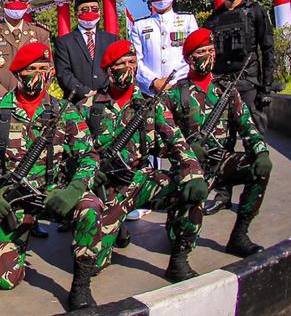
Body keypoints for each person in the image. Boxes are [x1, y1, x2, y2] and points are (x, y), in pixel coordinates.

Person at [0, 41, 103, 306]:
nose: (39, 74)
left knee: (90, 207)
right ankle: (8, 244)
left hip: (53, 194)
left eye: (44, 68)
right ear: (19, 73)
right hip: (13, 200)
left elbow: (89, 155)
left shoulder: (64, 111)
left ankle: (81, 285)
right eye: (33, 69)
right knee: (4, 280)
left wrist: (74, 189)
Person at [86, 40, 208, 291]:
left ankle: (179, 260)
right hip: (109, 188)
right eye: (121, 64)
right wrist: (90, 172)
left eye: (132, 63)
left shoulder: (150, 104)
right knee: (93, 264)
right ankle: (114, 229)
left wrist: (193, 172)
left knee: (189, 187)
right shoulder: (89, 107)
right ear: (108, 69)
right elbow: (76, 152)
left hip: (142, 179)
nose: (128, 68)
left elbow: (176, 140)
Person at [166, 28, 272, 257]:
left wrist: (261, 151)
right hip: (191, 171)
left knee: (258, 168)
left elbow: (246, 125)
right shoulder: (175, 95)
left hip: (221, 162)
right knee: (179, 238)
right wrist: (187, 154)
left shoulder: (226, 90)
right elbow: (162, 141)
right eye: (201, 52)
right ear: (188, 59)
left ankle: (239, 236)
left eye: (210, 50)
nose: (207, 56)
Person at [201, 0, 276, 214]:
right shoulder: (213, 20)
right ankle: (223, 194)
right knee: (223, 142)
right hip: (222, 86)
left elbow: (267, 49)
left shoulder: (255, 11)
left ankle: (254, 192)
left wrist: (266, 87)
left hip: (249, 85)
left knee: (254, 140)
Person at [129, 0, 195, 95]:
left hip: (182, 87)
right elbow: (136, 60)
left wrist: (173, 80)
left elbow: (192, 54)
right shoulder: (139, 26)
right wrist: (154, 81)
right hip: (150, 91)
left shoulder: (188, 20)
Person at [55, 0, 120, 103]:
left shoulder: (111, 39)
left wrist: (106, 91)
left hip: (108, 98)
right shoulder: (64, 42)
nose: (90, 12)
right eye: (85, 10)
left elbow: (116, 68)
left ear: (100, 12)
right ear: (76, 14)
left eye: (94, 9)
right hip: (77, 101)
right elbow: (63, 73)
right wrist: (85, 91)